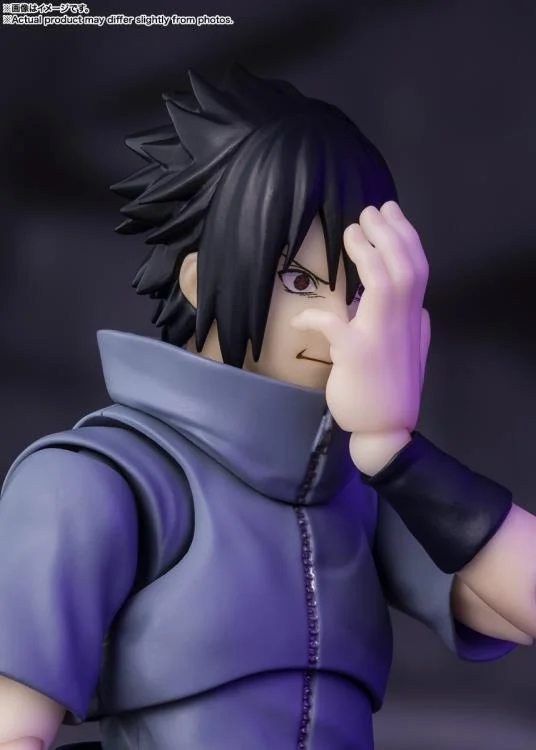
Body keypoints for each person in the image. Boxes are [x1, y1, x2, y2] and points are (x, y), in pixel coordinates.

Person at [0, 66, 533, 750]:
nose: (336, 321)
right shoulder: (99, 481)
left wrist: (393, 449)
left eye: (358, 290)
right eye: (298, 280)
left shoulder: (359, 486)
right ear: (200, 281)